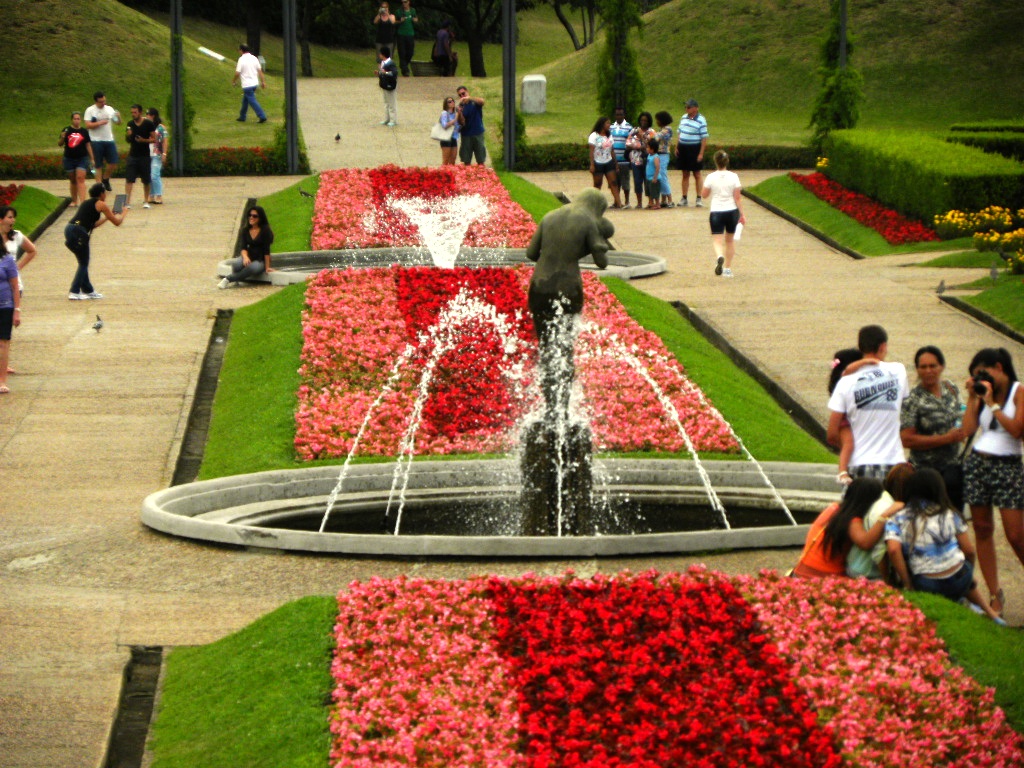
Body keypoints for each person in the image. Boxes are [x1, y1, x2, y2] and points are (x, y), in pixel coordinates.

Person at [885, 468, 1006, 624]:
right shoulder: (950, 513)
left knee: (942, 571)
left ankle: (970, 606)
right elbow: (969, 550)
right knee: (960, 570)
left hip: (926, 583)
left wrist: (908, 584)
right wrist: (967, 570)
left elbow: (893, 550)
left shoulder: (897, 518)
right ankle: (992, 614)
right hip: (960, 578)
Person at [960, 347, 1024, 617]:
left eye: (983, 374)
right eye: (976, 377)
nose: (981, 380)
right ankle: (995, 594)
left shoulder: (1019, 391)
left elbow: (1017, 430)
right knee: (983, 529)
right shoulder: (982, 396)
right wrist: (973, 398)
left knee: (1015, 535)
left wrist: (993, 405)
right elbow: (967, 430)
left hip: (1008, 465)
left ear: (999, 367)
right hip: (978, 463)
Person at [827, 324, 909, 481]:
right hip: (895, 464)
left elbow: (832, 433)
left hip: (859, 463)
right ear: (883, 346)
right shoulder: (899, 371)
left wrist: (850, 448)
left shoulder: (845, 382)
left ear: (860, 347)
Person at [792, 477, 902, 579]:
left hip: (803, 569)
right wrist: (884, 515)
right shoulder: (852, 521)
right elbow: (865, 543)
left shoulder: (834, 509)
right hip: (823, 575)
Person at [900, 345, 965, 509]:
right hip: (925, 474)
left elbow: (961, 414)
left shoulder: (951, 388)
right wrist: (945, 439)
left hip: (953, 469)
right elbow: (906, 439)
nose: (928, 371)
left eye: (933, 366)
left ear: (941, 367)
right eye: (923, 367)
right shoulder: (912, 399)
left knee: (955, 519)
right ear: (917, 369)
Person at [64, 182, 127, 301]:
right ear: (101, 194)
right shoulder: (101, 204)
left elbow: (91, 225)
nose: (106, 195)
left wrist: (107, 217)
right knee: (84, 262)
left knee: (83, 261)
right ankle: (74, 291)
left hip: (70, 228)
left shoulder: (87, 203)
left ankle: (88, 290)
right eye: (105, 193)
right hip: (79, 232)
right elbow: (117, 222)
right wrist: (124, 212)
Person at [701, 150, 745, 278]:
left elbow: (704, 195)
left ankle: (719, 256)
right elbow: (737, 197)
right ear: (727, 162)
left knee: (717, 240)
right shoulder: (734, 176)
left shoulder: (710, 177)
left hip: (716, 211)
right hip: (731, 211)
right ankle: (728, 268)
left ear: (715, 162)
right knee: (730, 241)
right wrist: (742, 214)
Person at [0, 206, 33, 378]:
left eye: (13, 217)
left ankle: (4, 363)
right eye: (9, 217)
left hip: (13, 286)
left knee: (6, 327)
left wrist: (17, 269)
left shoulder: (16, 236)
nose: (12, 220)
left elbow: (32, 250)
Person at [828, 348, 864, 485]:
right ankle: (842, 471)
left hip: (846, 418)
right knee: (848, 444)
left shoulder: (838, 378)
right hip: (844, 420)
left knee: (848, 444)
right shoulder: (846, 379)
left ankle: (844, 470)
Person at [219, 205, 274, 288]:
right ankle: (236, 279)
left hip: (260, 259)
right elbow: (243, 247)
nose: (251, 217)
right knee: (236, 264)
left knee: (252, 268)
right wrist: (245, 257)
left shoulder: (265, 231)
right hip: (249, 256)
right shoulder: (245, 230)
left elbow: (267, 251)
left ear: (260, 218)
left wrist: (267, 267)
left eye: (255, 216)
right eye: (250, 215)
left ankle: (228, 279)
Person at [83, 91, 121, 192]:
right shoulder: (90, 110)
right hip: (96, 140)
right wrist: (99, 123)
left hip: (109, 139)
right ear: (96, 101)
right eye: (101, 102)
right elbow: (87, 125)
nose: (103, 103)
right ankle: (99, 186)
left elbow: (117, 122)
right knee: (97, 164)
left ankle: (105, 178)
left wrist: (118, 116)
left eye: (104, 101)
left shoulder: (109, 109)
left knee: (113, 161)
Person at [675, 98, 708, 208]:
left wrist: (701, 153)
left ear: (695, 108)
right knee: (685, 173)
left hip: (694, 148)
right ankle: (684, 198)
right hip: (683, 148)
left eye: (688, 107)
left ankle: (699, 198)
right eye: (686, 107)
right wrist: (677, 146)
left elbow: (704, 138)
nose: (686, 109)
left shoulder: (701, 120)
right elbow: (679, 132)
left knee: (697, 174)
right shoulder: (683, 117)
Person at [59, 112, 95, 206]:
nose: (76, 120)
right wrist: (62, 138)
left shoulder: (84, 131)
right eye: (75, 119)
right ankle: (74, 200)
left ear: (81, 120)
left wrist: (92, 158)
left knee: (80, 178)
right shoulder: (67, 130)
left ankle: (83, 202)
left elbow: (88, 145)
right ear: (72, 120)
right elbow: (60, 143)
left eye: (78, 119)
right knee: (73, 180)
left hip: (82, 158)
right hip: (69, 158)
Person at [123, 104, 155, 209]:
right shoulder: (130, 124)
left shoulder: (148, 124)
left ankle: (146, 200)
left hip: (144, 155)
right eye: (132, 112)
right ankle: (127, 202)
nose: (133, 114)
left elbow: (154, 139)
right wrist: (128, 135)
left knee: (146, 179)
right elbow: (128, 140)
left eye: (135, 112)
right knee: (129, 179)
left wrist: (144, 140)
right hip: (133, 154)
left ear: (140, 112)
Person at [588, 117, 623, 209]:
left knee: (613, 182)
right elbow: (591, 151)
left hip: (608, 161)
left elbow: (612, 150)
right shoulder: (594, 135)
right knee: (597, 184)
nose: (609, 125)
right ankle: (595, 204)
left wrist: (615, 163)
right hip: (598, 162)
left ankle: (618, 203)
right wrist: (592, 164)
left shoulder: (609, 135)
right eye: (607, 123)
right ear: (602, 124)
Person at [0, 238, 19, 394]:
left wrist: (17, 309)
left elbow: (15, 286)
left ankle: (2, 380)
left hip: (5, 306)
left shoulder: (7, 260)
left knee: (3, 344)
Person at [626, 112, 655, 211]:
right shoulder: (634, 130)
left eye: (646, 121)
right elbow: (628, 143)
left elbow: (653, 145)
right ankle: (639, 203)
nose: (643, 122)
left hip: (648, 160)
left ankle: (650, 202)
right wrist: (638, 146)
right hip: (636, 159)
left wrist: (642, 137)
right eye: (642, 120)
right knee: (637, 181)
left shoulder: (651, 132)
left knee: (648, 181)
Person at [233, 44, 267, 124]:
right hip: (254, 83)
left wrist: (234, 81)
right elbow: (260, 71)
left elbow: (237, 73)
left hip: (247, 84)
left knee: (252, 100)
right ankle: (242, 116)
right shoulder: (254, 58)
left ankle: (262, 116)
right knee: (245, 100)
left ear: (241, 50)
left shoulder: (241, 59)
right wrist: (263, 81)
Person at [456, 84, 486, 165]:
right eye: (460, 95)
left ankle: (482, 175)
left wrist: (470, 98)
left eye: (463, 93)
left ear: (467, 92)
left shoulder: (474, 102)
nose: (462, 96)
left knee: (481, 159)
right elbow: (461, 122)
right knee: (466, 160)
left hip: (477, 132)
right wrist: (459, 113)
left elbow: (482, 102)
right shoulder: (461, 106)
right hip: (466, 134)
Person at [609, 107, 633, 208]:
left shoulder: (629, 128)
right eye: (617, 114)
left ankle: (627, 202)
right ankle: (616, 202)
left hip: (625, 160)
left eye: (621, 114)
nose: (619, 116)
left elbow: (631, 142)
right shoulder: (611, 128)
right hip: (613, 160)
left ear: (624, 115)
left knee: (625, 182)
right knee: (615, 182)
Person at [146, 108, 168, 205]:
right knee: (148, 175)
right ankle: (151, 194)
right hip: (147, 153)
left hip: (157, 153)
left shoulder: (161, 128)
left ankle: (159, 195)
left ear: (153, 115)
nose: (146, 116)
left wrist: (164, 153)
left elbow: (165, 141)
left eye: (148, 114)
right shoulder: (146, 126)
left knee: (155, 175)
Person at [654, 111, 674, 208]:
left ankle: (670, 199)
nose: (656, 121)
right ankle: (663, 199)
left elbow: (656, 138)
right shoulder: (662, 129)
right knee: (660, 176)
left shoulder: (667, 129)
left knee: (662, 176)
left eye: (657, 120)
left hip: (664, 154)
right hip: (659, 154)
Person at [394, 0, 418, 77]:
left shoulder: (413, 10)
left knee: (410, 52)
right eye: (402, 2)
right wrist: (400, 21)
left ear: (409, 2)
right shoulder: (399, 11)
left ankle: (404, 65)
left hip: (410, 34)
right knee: (402, 52)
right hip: (401, 34)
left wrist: (416, 20)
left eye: (405, 2)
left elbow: (416, 18)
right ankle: (405, 70)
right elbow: (394, 22)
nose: (404, 4)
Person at [377, 47, 399, 127]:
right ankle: (387, 119)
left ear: (383, 54)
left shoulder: (391, 63)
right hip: (384, 85)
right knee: (386, 103)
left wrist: (385, 72)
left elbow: (394, 73)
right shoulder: (383, 62)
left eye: (380, 53)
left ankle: (393, 120)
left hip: (390, 84)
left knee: (392, 103)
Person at [438, 96, 460, 165]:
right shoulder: (444, 113)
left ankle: (450, 173)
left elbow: (458, 126)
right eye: (449, 102)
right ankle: (442, 174)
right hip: (446, 137)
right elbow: (445, 125)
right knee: (445, 159)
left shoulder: (455, 113)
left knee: (453, 159)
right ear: (446, 104)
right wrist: (455, 119)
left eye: (453, 101)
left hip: (454, 137)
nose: (452, 103)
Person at [644, 138, 661, 210]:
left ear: (653, 149)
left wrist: (655, 177)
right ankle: (651, 202)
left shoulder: (655, 157)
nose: (647, 149)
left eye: (648, 147)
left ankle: (657, 203)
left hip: (654, 178)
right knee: (649, 192)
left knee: (655, 192)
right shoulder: (649, 155)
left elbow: (657, 168)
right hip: (648, 177)